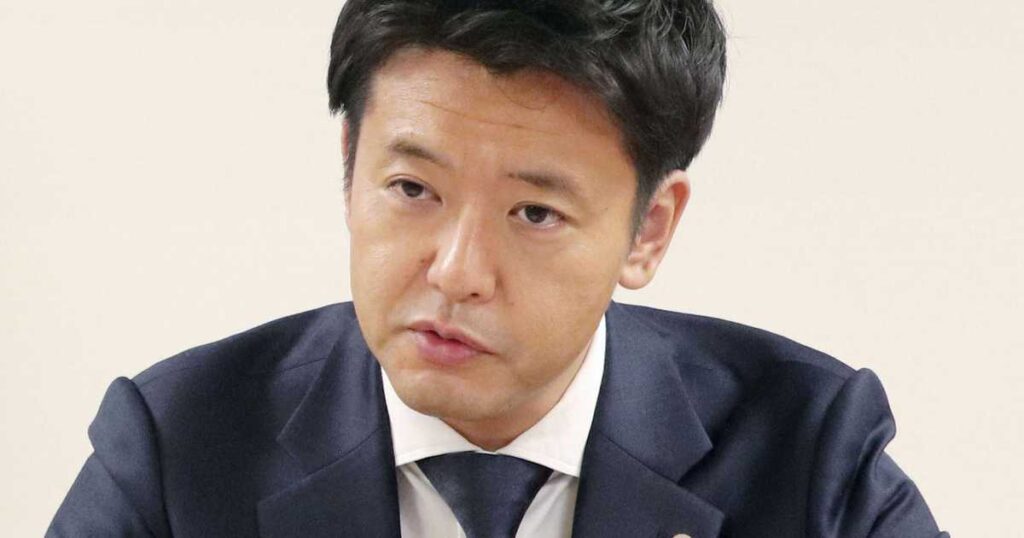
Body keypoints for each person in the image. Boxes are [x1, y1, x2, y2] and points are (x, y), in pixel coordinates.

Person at [47, 1, 948, 536]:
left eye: (535, 214)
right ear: (349, 165)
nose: (457, 272)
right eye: (412, 189)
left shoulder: (809, 453)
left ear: (648, 231)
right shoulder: (179, 446)